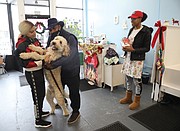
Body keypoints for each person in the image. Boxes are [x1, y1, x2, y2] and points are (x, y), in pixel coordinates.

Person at [14, 20, 52, 128]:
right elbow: (25, 63)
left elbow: (40, 50)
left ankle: (39, 112)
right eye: (31, 32)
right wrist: (41, 61)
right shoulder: (22, 44)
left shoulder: (33, 40)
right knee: (37, 95)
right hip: (32, 73)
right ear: (25, 33)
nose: (34, 33)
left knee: (41, 94)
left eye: (34, 30)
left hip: (38, 71)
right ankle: (38, 120)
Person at [45, 18, 81, 124]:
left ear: (59, 27)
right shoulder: (51, 37)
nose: (51, 31)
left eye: (53, 29)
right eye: (50, 30)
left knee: (73, 91)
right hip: (58, 71)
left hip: (71, 70)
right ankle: (63, 102)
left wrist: (53, 64)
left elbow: (71, 54)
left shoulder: (70, 38)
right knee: (59, 87)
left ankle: (75, 111)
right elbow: (49, 49)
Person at [119, 11, 153, 110]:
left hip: (137, 59)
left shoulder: (146, 31)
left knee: (137, 80)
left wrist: (133, 50)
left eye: (134, 19)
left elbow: (147, 48)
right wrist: (125, 45)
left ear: (140, 19)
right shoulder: (131, 30)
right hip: (129, 57)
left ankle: (137, 101)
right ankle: (128, 97)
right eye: (131, 19)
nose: (131, 21)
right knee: (128, 78)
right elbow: (130, 43)